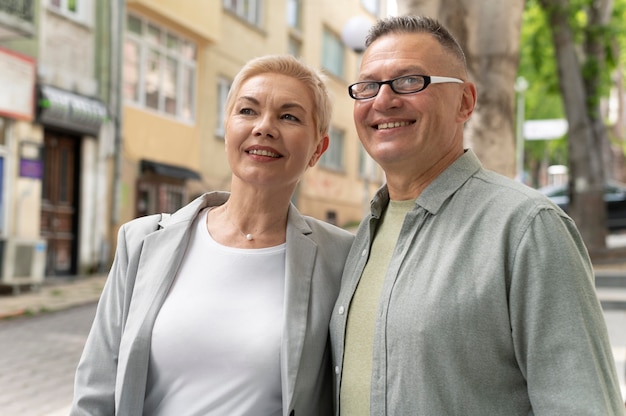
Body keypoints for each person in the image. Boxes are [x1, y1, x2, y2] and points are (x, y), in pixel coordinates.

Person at [329, 15, 625, 415]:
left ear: (465, 102)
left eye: (410, 81)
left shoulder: (528, 229)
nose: (383, 100)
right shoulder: (364, 234)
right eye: (368, 86)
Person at [70, 54, 354, 416]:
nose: (264, 127)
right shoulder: (141, 242)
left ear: (318, 148)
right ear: (227, 129)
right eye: (248, 111)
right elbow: (95, 393)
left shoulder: (340, 258)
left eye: (289, 116)